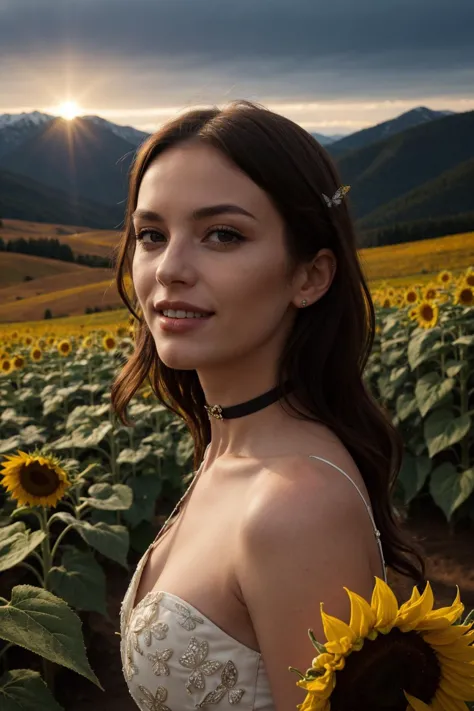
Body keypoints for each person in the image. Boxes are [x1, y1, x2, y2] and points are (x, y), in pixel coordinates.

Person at [111, 100, 425, 711]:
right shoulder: (232, 446)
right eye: (152, 234)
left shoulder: (296, 508)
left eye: (222, 235)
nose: (169, 269)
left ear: (310, 276)